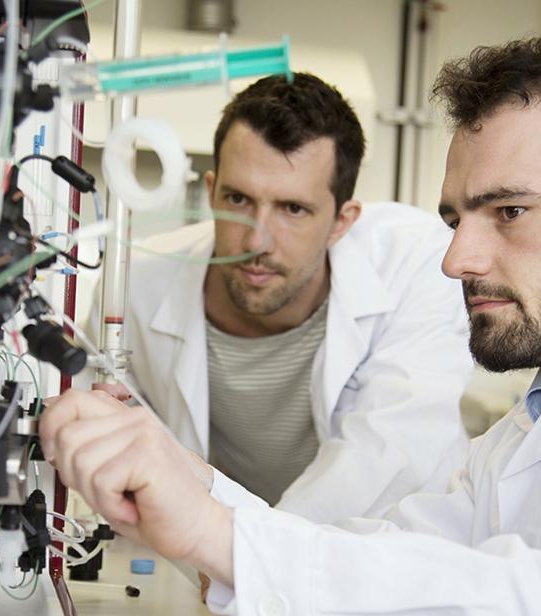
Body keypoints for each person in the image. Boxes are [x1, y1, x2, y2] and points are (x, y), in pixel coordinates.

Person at [41, 37, 541, 614]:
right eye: (454, 219)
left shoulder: (405, 268)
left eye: (510, 211)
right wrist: (195, 484)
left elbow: (511, 588)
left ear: (341, 221)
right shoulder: (513, 441)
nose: (454, 261)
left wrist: (221, 539)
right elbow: (411, 553)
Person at [120, 72, 471, 520]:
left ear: (342, 222)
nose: (256, 242)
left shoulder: (418, 264)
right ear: (210, 193)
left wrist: (248, 553)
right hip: (219, 563)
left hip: (394, 556)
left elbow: (384, 458)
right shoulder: (135, 286)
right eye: (239, 199)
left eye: (293, 209)